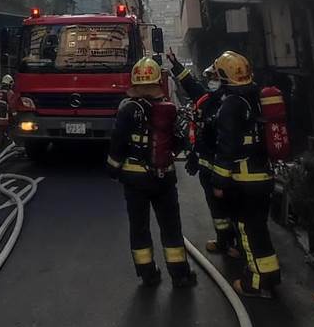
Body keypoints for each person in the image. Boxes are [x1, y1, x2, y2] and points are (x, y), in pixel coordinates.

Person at [107, 57, 197, 289]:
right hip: (164, 178)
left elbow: (118, 143)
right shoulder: (169, 109)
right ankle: (181, 275)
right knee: (171, 227)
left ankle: (148, 274)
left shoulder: (128, 110)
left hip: (135, 180)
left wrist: (114, 169)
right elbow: (180, 140)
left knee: (139, 227)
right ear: (158, 81)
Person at [211, 51, 281, 299]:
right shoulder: (257, 96)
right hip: (263, 174)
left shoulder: (231, 105)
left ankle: (256, 282)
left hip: (244, 179)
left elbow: (227, 145)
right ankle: (270, 275)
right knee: (259, 228)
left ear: (224, 76)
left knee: (248, 230)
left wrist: (219, 181)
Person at [166, 49, 239, 259]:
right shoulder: (206, 98)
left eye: (215, 78)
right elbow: (189, 84)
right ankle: (224, 240)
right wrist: (175, 63)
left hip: (227, 170)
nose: (211, 82)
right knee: (216, 210)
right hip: (208, 166)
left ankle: (237, 245)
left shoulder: (231, 104)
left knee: (232, 208)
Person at [0, 75, 15, 152]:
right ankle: (11, 149)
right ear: (9, 83)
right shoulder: (9, 92)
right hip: (5, 118)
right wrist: (15, 116)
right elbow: (12, 105)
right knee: (11, 133)